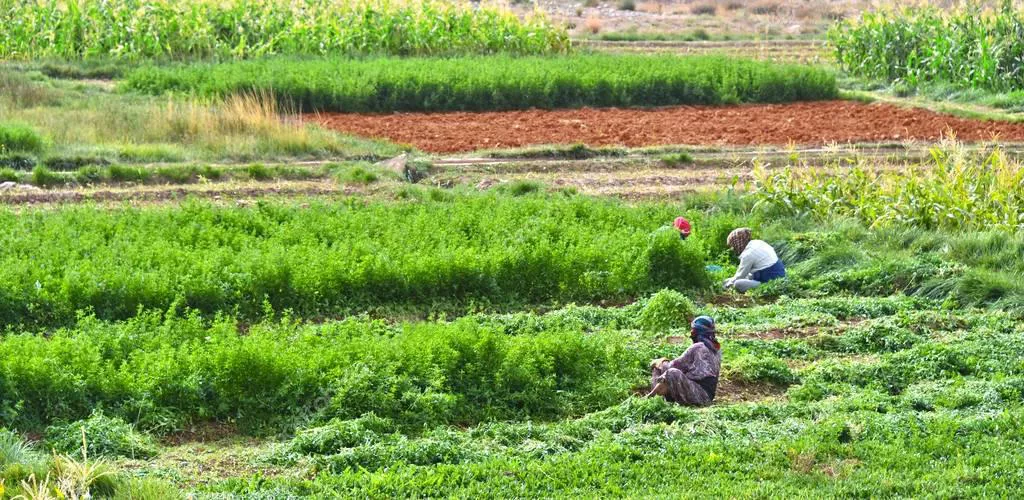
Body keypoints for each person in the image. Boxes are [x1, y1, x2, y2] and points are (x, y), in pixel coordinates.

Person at [647, 316, 722, 406]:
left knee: (668, 371)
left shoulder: (698, 347)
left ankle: (651, 398)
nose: (691, 333)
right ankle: (660, 399)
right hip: (707, 396)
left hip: (699, 395)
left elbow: (672, 366)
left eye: (693, 330)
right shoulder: (716, 349)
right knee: (670, 373)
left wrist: (660, 362)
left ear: (697, 332)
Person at [722, 227, 785, 293]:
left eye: (733, 245)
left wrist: (726, 286)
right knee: (730, 280)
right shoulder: (757, 242)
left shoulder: (748, 254)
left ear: (737, 242)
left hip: (771, 282)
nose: (732, 248)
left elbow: (740, 276)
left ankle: (763, 288)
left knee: (738, 284)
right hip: (779, 275)